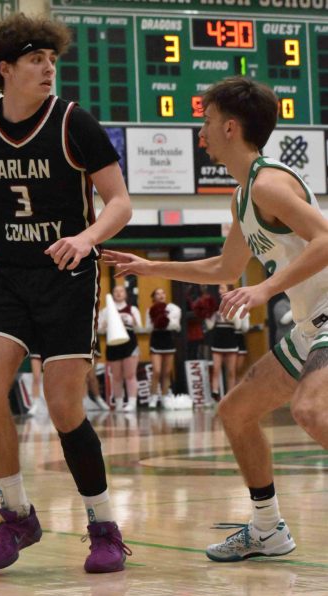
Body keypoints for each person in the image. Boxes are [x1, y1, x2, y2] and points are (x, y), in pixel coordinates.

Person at [0, 12, 132, 573]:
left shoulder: (73, 123)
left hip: (68, 276)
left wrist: (85, 239)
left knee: (63, 407)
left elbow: (119, 202)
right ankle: (16, 514)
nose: (48, 69)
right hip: (9, 274)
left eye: (51, 60)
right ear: (4, 69)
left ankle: (104, 524)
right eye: (36, 60)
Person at [104, 75, 328, 562]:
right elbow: (225, 268)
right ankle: (267, 529)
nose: (199, 131)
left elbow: (326, 239)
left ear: (230, 127)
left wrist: (266, 288)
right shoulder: (242, 195)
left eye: (204, 120)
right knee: (235, 412)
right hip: (312, 323)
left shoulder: (270, 183)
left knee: (311, 411)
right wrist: (149, 267)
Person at [98, 285, 142, 412]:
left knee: (130, 374)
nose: (118, 293)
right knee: (116, 376)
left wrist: (133, 322)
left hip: (130, 344)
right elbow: (100, 330)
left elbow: (140, 328)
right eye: (115, 291)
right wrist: (104, 325)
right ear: (112, 294)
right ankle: (118, 403)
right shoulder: (106, 311)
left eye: (121, 291)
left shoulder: (132, 309)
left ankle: (132, 403)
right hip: (113, 345)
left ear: (125, 294)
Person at [145, 288, 181, 409]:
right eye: (157, 294)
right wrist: (155, 319)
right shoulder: (149, 310)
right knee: (157, 371)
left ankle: (165, 397)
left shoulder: (172, 309)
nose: (161, 295)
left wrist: (164, 319)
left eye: (163, 293)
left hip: (168, 340)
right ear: (154, 297)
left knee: (166, 372)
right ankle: (153, 397)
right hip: (156, 340)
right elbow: (148, 328)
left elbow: (176, 326)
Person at [205, 284, 240, 401]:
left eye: (222, 288)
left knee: (231, 371)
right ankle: (215, 393)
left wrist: (230, 314)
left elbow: (239, 325)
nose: (220, 291)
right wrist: (207, 314)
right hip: (217, 340)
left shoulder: (235, 305)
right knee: (216, 369)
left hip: (230, 339)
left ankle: (231, 397)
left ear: (229, 290)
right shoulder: (214, 306)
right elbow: (210, 326)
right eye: (219, 288)